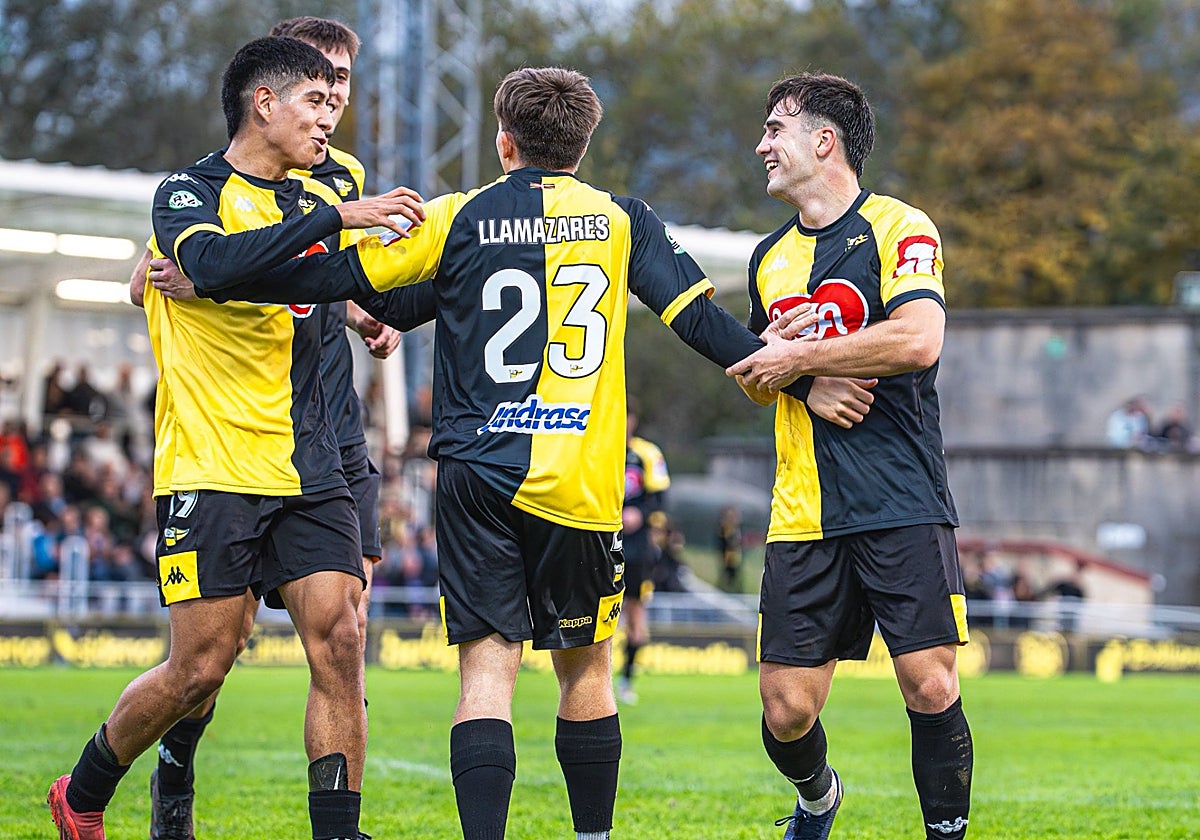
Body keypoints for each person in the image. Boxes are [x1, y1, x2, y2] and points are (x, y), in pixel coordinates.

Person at [193, 65, 815, 840]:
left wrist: (211, 277)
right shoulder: (623, 218)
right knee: (585, 668)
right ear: (583, 145)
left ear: (504, 140)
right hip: (580, 481)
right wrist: (784, 367)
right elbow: (695, 320)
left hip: (475, 471)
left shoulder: (459, 215)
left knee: (487, 668)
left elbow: (348, 283)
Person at [46, 36, 423, 840]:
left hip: (312, 458)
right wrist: (331, 224)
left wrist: (370, 299)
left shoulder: (331, 186)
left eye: (338, 98)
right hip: (212, 463)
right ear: (266, 103)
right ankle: (83, 790)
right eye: (319, 100)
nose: (334, 118)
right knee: (201, 668)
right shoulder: (188, 193)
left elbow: (316, 276)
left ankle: (337, 831)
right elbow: (213, 263)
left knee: (342, 635)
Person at [726, 73, 974, 839]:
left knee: (930, 685)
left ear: (823, 140)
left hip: (901, 496)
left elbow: (919, 338)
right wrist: (799, 379)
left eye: (776, 129)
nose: (763, 144)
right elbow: (758, 378)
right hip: (804, 510)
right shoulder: (768, 260)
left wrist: (804, 360)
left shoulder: (902, 225)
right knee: (786, 708)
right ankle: (818, 799)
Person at [617, 400, 670, 705]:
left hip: (636, 547)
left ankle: (626, 681)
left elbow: (660, 498)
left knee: (635, 614)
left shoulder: (646, 453)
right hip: (600, 539)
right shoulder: (595, 448)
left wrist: (638, 513)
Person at [715, 505, 745, 593]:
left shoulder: (735, 529)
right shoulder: (725, 528)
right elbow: (725, 541)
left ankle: (737, 591)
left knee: (735, 576)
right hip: (727, 556)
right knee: (726, 575)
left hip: (735, 556)